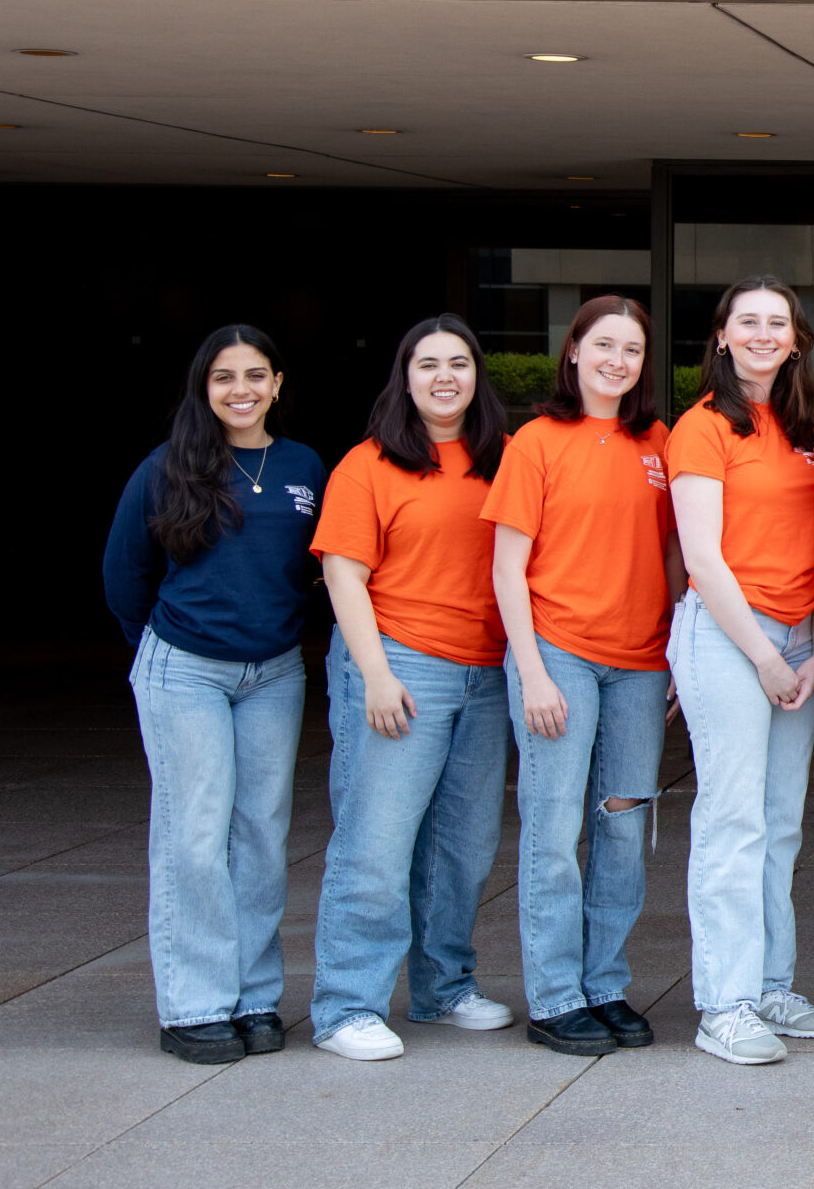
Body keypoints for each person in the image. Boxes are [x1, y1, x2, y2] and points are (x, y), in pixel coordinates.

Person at [104, 325, 325, 1065]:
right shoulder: (167, 468)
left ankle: (255, 994)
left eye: (255, 375)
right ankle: (196, 1004)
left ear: (277, 383)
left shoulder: (302, 466)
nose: (241, 390)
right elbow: (123, 573)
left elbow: (319, 573)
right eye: (225, 377)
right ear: (205, 387)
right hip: (186, 668)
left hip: (275, 671)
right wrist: (160, 654)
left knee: (261, 833)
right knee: (194, 834)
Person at [309, 316, 515, 1061]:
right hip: (400, 662)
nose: (444, 377)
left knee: (463, 845)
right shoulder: (367, 465)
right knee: (377, 841)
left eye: (458, 363)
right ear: (405, 377)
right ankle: (346, 1005)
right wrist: (375, 674)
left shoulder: (503, 458)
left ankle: (443, 985)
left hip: (486, 672)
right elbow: (343, 574)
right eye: (427, 364)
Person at [483, 295, 683, 1058]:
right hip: (557, 652)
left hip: (638, 661)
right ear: (573, 351)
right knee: (555, 825)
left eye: (632, 349)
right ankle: (555, 995)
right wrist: (531, 670)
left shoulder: (657, 441)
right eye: (604, 345)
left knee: (623, 826)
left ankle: (604, 983)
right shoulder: (536, 440)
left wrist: (673, 650)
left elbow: (670, 554)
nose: (617, 361)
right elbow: (507, 566)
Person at [668, 277, 814, 1066]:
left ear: (796, 339)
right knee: (733, 821)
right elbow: (701, 557)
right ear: (723, 336)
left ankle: (772, 983)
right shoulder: (703, 426)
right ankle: (725, 1003)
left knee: (780, 822)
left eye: (779, 322)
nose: (765, 333)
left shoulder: (809, 424)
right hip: (729, 636)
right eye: (750, 322)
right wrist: (768, 655)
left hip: (798, 637)